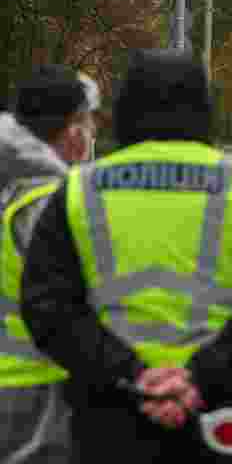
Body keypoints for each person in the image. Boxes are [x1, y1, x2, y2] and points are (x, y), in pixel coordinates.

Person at [19, 50, 232, 462]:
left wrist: (133, 374)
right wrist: (199, 379)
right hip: (221, 417)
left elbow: (48, 308)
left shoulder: (80, 191)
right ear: (204, 108)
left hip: (109, 419)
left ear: (127, 110)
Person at [0, 66, 100, 463]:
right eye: (88, 122)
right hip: (31, 386)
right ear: (73, 132)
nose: (91, 134)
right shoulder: (47, 203)